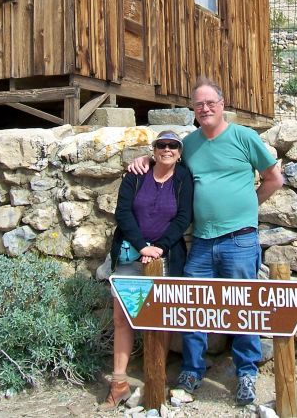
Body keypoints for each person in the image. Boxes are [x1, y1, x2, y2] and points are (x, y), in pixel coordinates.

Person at [129, 77, 283, 406]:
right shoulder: (191, 143)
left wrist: (248, 206)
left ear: (222, 104)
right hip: (201, 241)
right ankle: (192, 370)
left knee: (244, 307)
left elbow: (274, 178)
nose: (205, 108)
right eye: (199, 104)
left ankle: (246, 372)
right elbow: (167, 164)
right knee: (192, 306)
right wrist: (144, 160)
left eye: (210, 102)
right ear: (193, 110)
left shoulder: (244, 137)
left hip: (239, 239)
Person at [102, 130, 194, 409]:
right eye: (161, 145)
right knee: (123, 317)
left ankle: (156, 377)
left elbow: (183, 218)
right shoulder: (136, 175)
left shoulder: (183, 178)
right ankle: (118, 383)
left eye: (172, 146)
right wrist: (143, 246)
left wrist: (159, 248)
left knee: (161, 317)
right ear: (153, 150)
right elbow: (123, 213)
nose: (166, 150)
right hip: (132, 254)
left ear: (179, 153)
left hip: (165, 257)